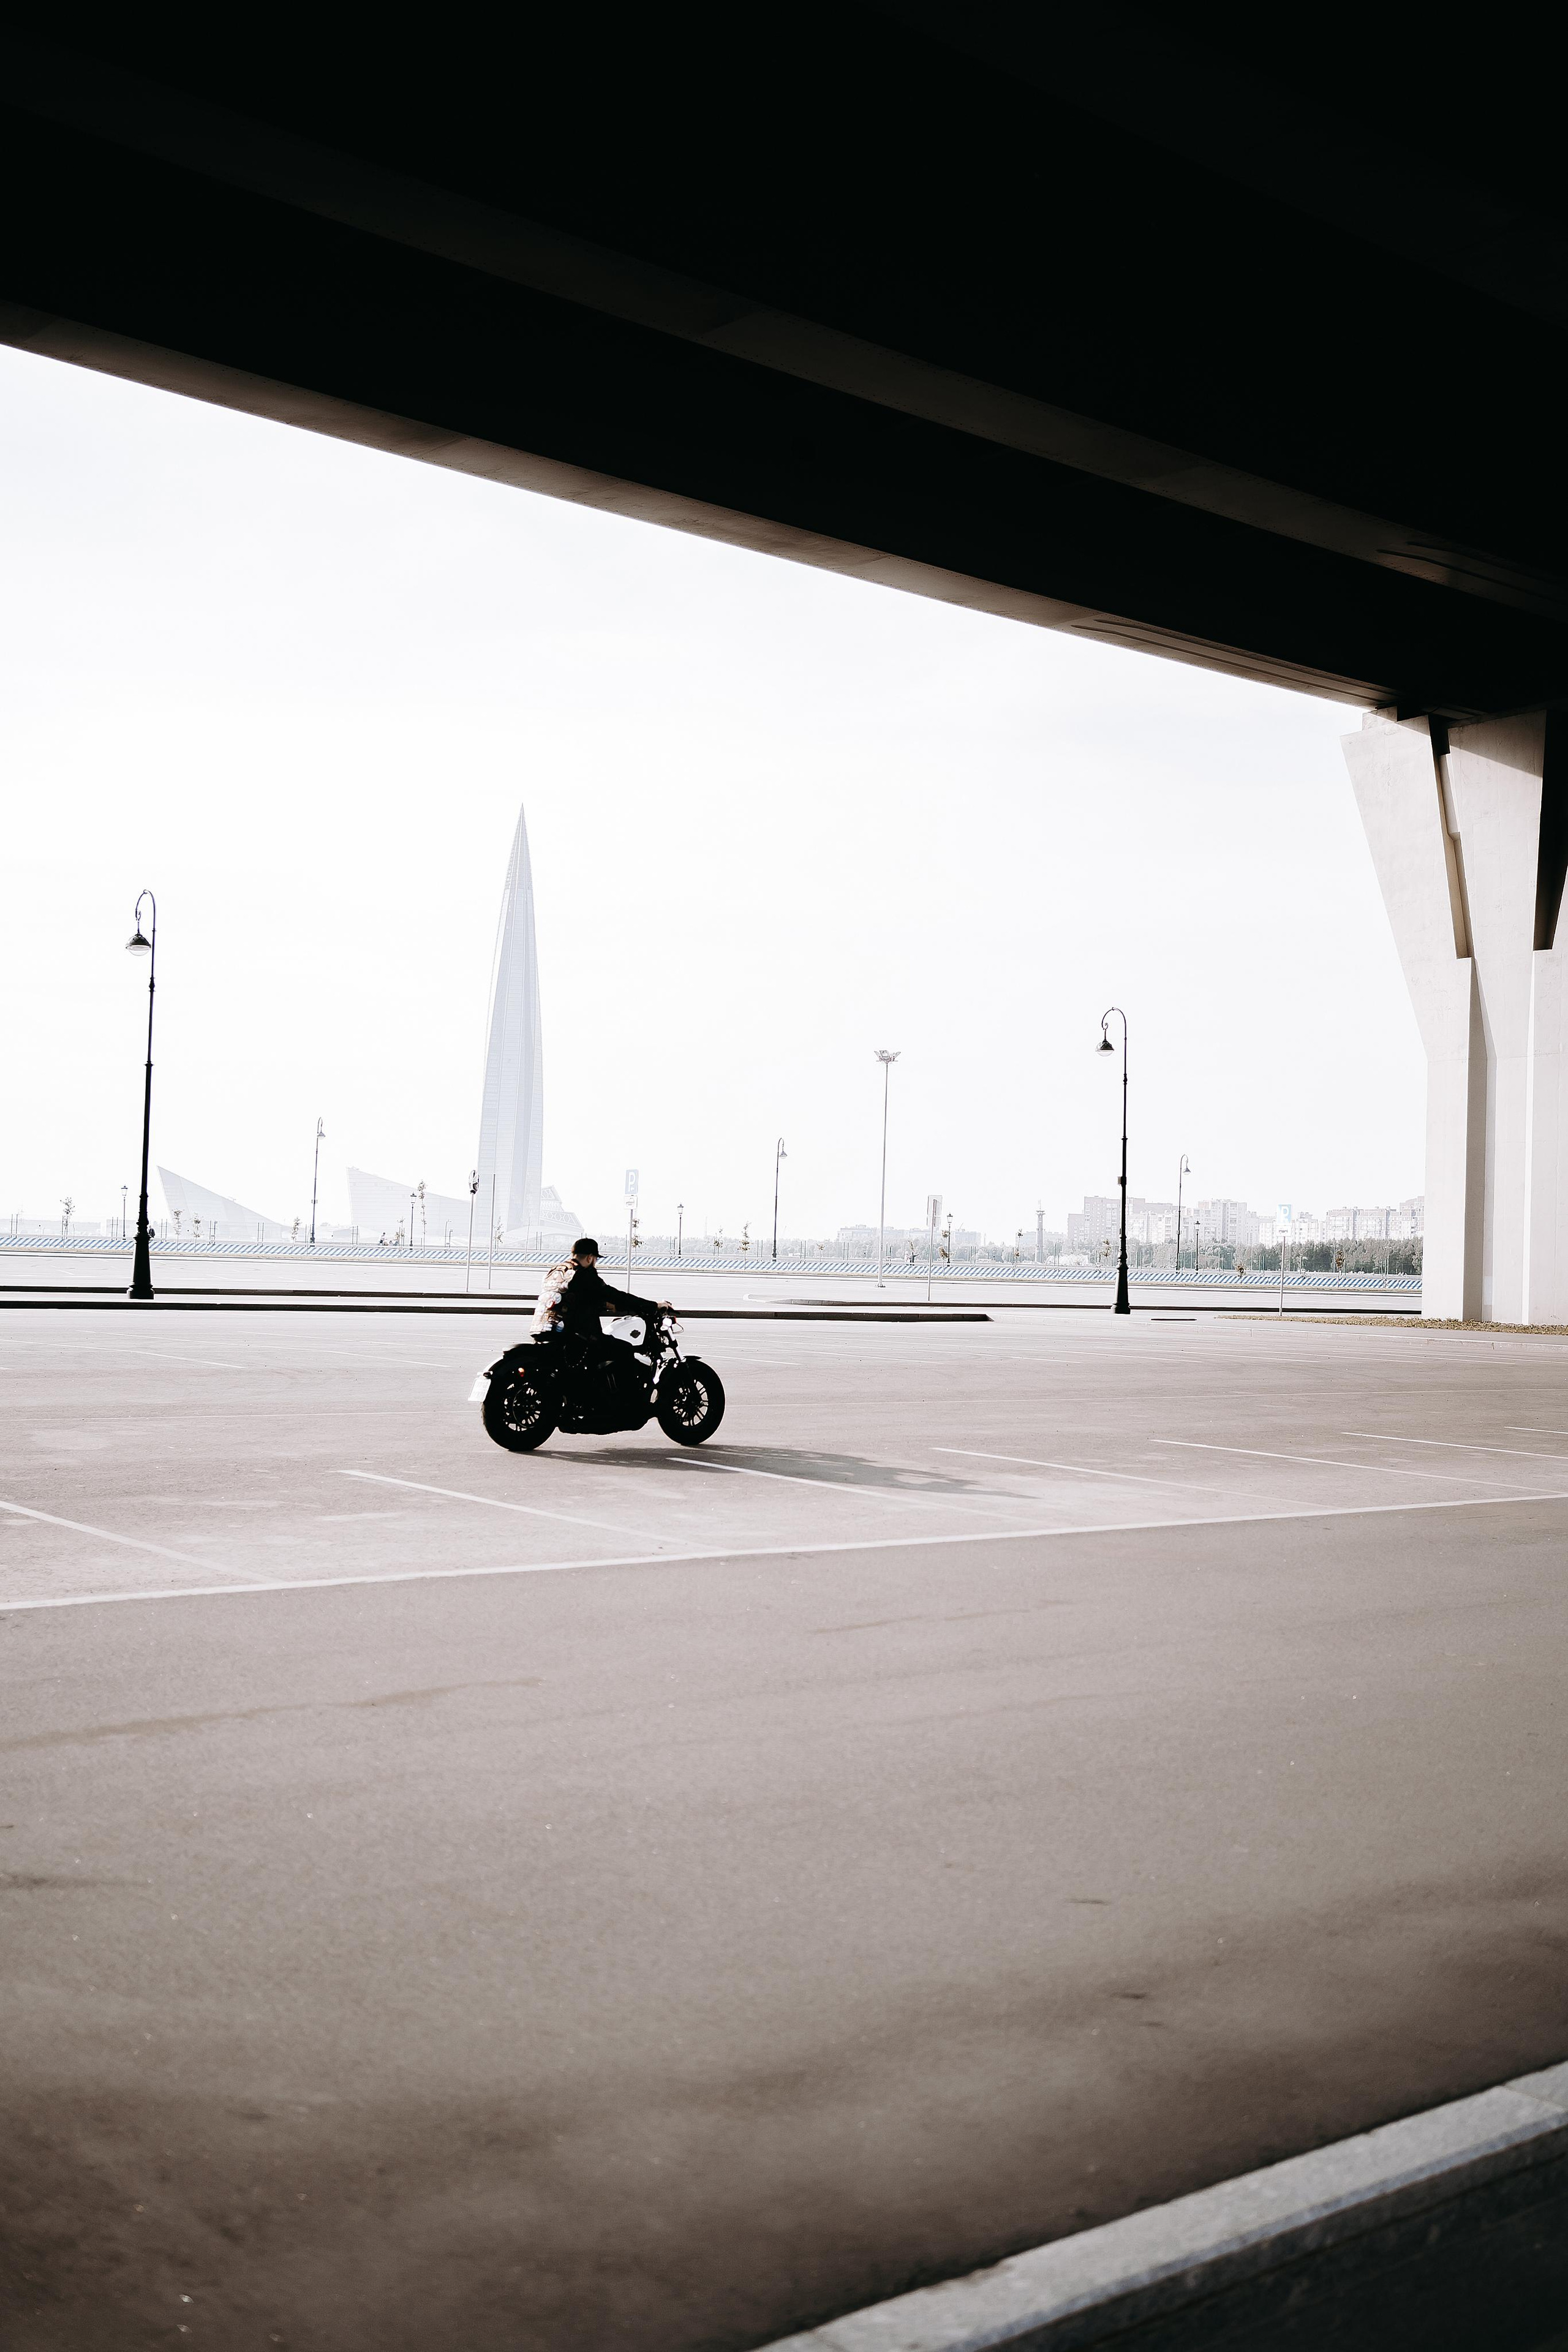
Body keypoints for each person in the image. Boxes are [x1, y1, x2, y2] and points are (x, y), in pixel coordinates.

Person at [532, 1238, 670, 1376]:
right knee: (625, 1349)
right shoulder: (583, 1273)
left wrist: (604, 1304)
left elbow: (575, 1298)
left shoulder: (557, 1272)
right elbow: (613, 1295)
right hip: (576, 1337)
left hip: (544, 1331)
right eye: (595, 1259)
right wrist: (654, 1306)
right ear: (590, 1258)